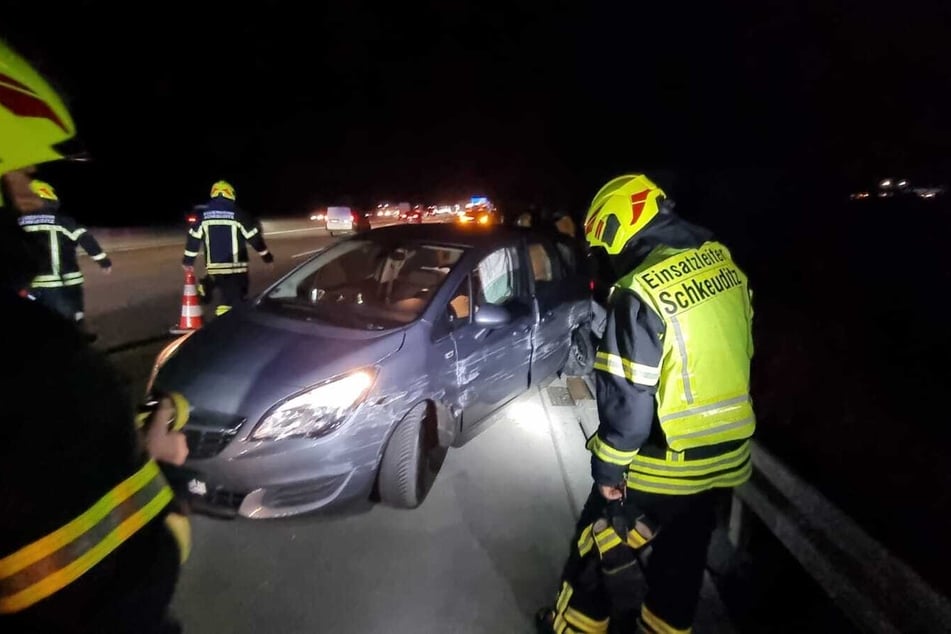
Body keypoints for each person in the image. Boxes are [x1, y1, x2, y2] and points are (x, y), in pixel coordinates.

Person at [0, 39, 189, 633]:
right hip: (55, 305)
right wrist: (157, 467)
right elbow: (119, 586)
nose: (27, 194)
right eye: (20, 174)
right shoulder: (30, 366)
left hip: (42, 298)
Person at [537, 174, 756, 633]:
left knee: (595, 551)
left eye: (606, 247)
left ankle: (573, 627)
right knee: (681, 566)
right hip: (723, 461)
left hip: (663, 463)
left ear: (619, 230)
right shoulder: (726, 267)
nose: (609, 259)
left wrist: (609, 474)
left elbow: (629, 400)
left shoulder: (642, 291)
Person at [16, 179, 112, 342]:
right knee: (70, 315)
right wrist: (103, 261)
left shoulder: (17, 223)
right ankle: (76, 340)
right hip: (61, 282)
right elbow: (85, 239)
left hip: (30, 283)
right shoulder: (62, 221)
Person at [182, 180, 273, 316]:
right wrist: (266, 256)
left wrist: (188, 262)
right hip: (236, 268)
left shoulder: (203, 216)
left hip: (214, 267)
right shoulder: (238, 214)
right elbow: (254, 237)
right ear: (230, 194)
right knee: (232, 301)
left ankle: (208, 283)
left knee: (226, 292)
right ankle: (225, 324)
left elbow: (193, 239)